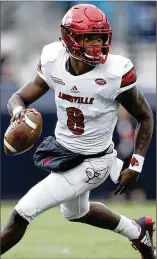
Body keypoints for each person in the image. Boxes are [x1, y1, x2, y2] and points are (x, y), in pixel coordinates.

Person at [1, 4, 155, 259]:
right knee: (75, 212)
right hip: (64, 152)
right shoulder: (53, 60)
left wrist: (136, 165)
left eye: (100, 37)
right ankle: (139, 232)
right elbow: (18, 97)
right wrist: (18, 113)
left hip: (94, 160)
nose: (96, 44)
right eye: (88, 38)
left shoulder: (116, 72)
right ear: (69, 38)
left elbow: (145, 116)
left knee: (23, 212)